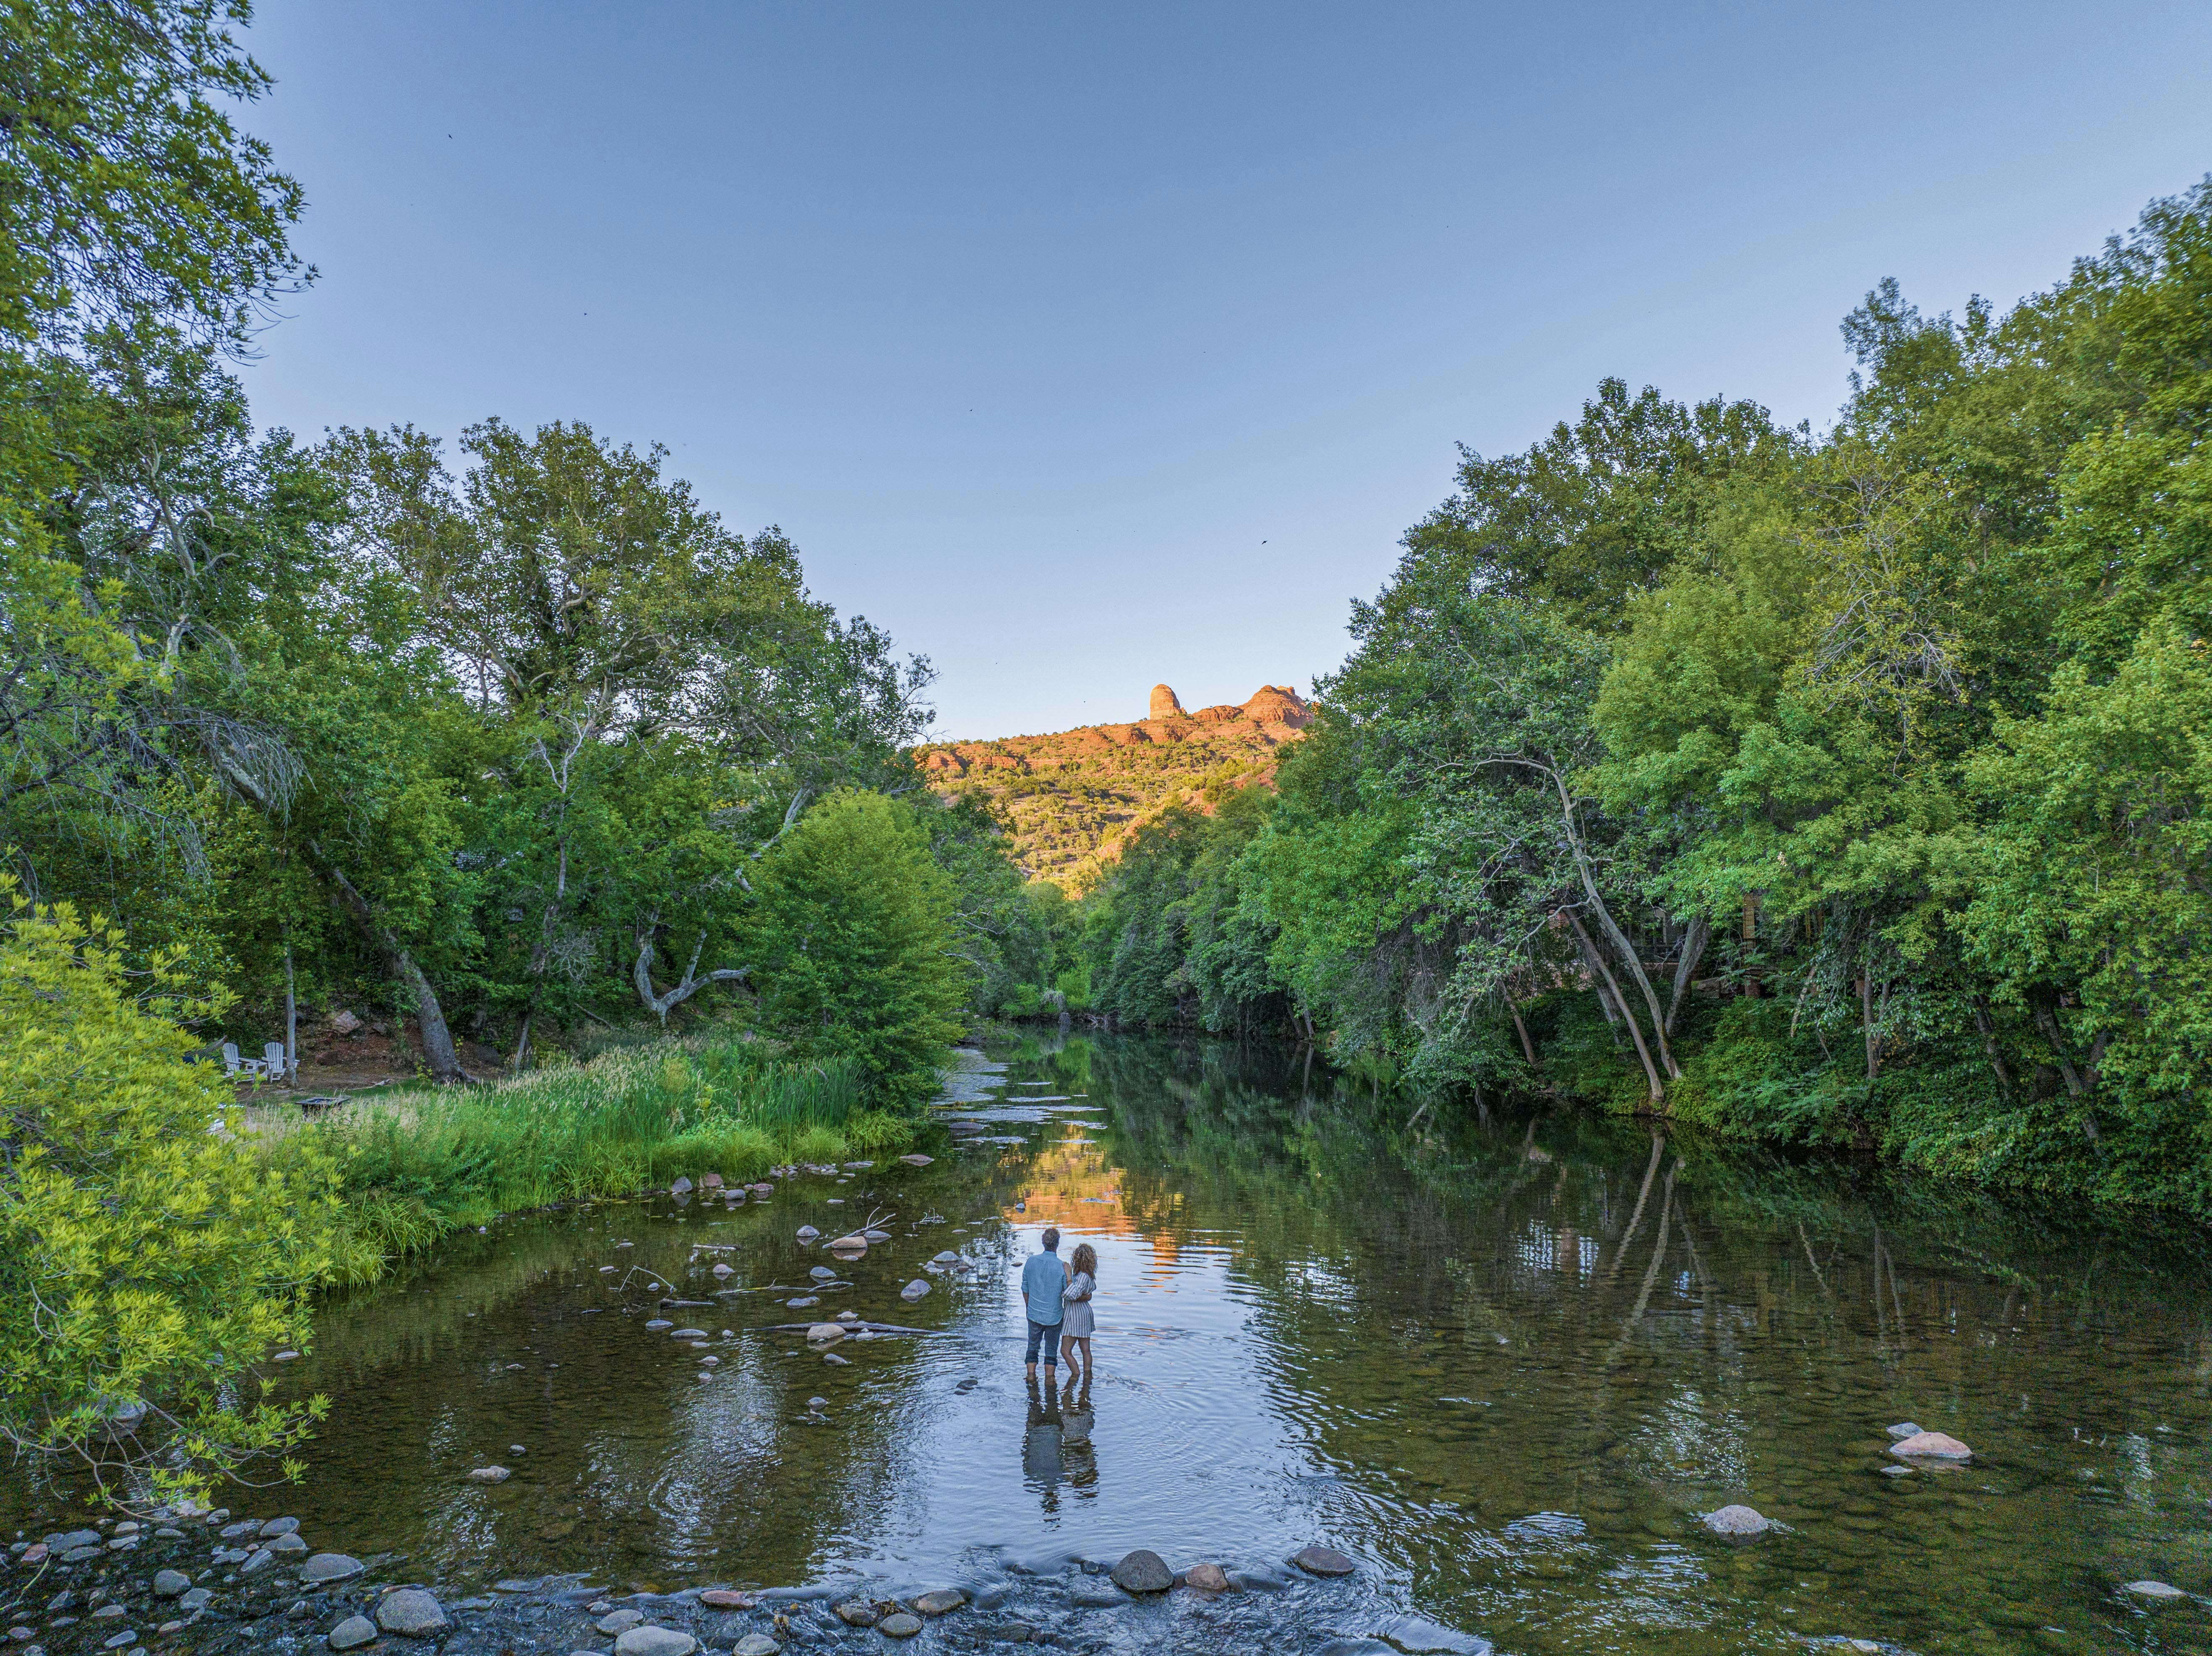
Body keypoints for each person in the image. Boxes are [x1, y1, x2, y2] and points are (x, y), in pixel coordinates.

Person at [1021, 1226, 1067, 1380]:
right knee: (1051, 1351)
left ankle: (1031, 1379)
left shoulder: (1031, 1262)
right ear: (1057, 1244)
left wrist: (1029, 1308)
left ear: (1043, 1243)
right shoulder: (1062, 1267)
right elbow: (1068, 1293)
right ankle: (1049, 1383)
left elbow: (1025, 1289)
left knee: (1032, 1348)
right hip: (1054, 1317)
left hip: (1034, 1314)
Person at [1059, 1241, 1097, 1380]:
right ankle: (1088, 1376)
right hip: (1085, 1314)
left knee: (1065, 1351)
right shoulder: (1089, 1276)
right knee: (1085, 1349)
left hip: (1076, 1315)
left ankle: (1076, 1375)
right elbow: (1089, 1293)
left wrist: (1068, 1276)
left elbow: (1072, 1295)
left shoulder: (1082, 1276)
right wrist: (1086, 1296)